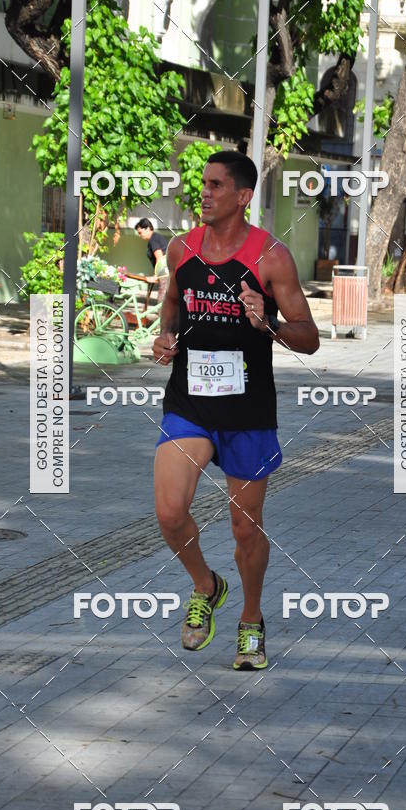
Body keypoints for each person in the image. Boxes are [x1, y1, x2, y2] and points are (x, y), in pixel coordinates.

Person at [152, 150, 319, 670]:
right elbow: (173, 308)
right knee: (169, 511)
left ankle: (251, 620)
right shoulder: (182, 249)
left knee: (245, 528)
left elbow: (309, 338)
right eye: (202, 184)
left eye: (216, 185)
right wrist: (166, 337)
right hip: (190, 402)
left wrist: (266, 321)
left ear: (243, 196)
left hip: (247, 409)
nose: (203, 192)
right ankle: (206, 584)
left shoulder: (271, 257)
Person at [135, 218, 169, 301]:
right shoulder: (156, 237)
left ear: (147, 228)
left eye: (140, 233)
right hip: (166, 272)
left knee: (162, 303)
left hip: (165, 274)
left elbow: (160, 257)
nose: (140, 235)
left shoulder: (153, 240)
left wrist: (155, 276)